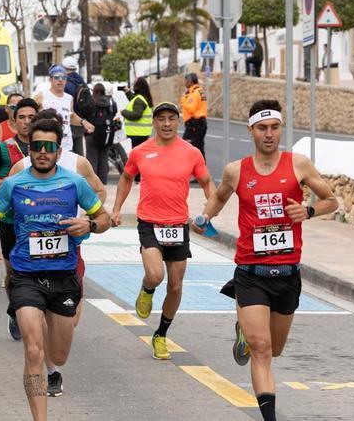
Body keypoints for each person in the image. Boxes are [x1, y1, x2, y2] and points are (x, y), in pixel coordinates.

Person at [192, 100, 338, 421]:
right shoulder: (236, 170)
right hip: (251, 272)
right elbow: (219, 196)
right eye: (262, 128)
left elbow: (331, 200)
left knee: (276, 348)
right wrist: (205, 216)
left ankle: (243, 330)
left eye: (274, 127)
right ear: (251, 131)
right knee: (262, 349)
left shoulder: (298, 164)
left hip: (287, 274)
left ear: (280, 128)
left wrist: (309, 211)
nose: (269, 134)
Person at [0, 117, 110, 421]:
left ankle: (53, 364)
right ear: (29, 147)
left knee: (58, 355)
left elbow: (103, 219)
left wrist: (88, 224)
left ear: (58, 149)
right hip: (26, 276)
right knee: (34, 350)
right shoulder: (13, 184)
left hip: (64, 277)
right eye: (36, 146)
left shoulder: (74, 182)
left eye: (48, 147)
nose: (42, 152)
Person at [109, 101, 214, 360]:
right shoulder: (141, 151)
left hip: (178, 224)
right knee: (155, 275)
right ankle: (147, 290)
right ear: (154, 122)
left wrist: (208, 215)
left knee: (176, 286)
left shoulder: (191, 152)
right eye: (161, 119)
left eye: (171, 119)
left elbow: (208, 183)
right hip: (150, 223)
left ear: (178, 122)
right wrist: (116, 209)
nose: (166, 124)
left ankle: (161, 335)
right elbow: (125, 178)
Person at [0, 98, 39, 337]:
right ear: (14, 119)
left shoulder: (46, 147)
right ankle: (15, 310)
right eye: (21, 117)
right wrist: (4, 183)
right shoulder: (4, 148)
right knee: (14, 272)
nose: (26, 122)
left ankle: (33, 309)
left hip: (39, 222)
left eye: (31, 117)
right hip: (11, 221)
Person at [34, 65, 94, 152]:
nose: (60, 80)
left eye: (63, 77)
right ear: (50, 79)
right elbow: (30, 113)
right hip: (48, 145)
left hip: (66, 145)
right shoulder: (41, 96)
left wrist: (83, 122)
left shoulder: (69, 98)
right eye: (56, 77)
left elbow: (71, 116)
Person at [84, 83, 119, 185]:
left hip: (92, 134)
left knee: (92, 160)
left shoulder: (91, 101)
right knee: (103, 160)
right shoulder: (111, 102)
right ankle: (103, 183)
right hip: (106, 135)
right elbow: (114, 113)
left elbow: (86, 114)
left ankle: (92, 183)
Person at [122, 77, 154, 182]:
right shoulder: (140, 98)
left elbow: (136, 114)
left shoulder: (139, 99)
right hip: (140, 133)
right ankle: (139, 177)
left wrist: (123, 112)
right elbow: (134, 101)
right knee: (140, 156)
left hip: (137, 133)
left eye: (134, 84)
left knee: (137, 157)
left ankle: (138, 178)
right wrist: (127, 92)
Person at [61, 56, 86, 155]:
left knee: (67, 152)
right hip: (81, 121)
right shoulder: (82, 82)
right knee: (79, 152)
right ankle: (79, 169)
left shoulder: (66, 84)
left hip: (70, 121)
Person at [180, 73, 207, 160]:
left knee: (186, 146)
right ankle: (201, 170)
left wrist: (184, 100)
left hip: (195, 124)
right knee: (199, 148)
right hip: (199, 123)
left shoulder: (194, 93)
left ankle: (191, 169)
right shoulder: (199, 91)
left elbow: (191, 108)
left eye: (185, 80)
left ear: (190, 81)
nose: (184, 82)